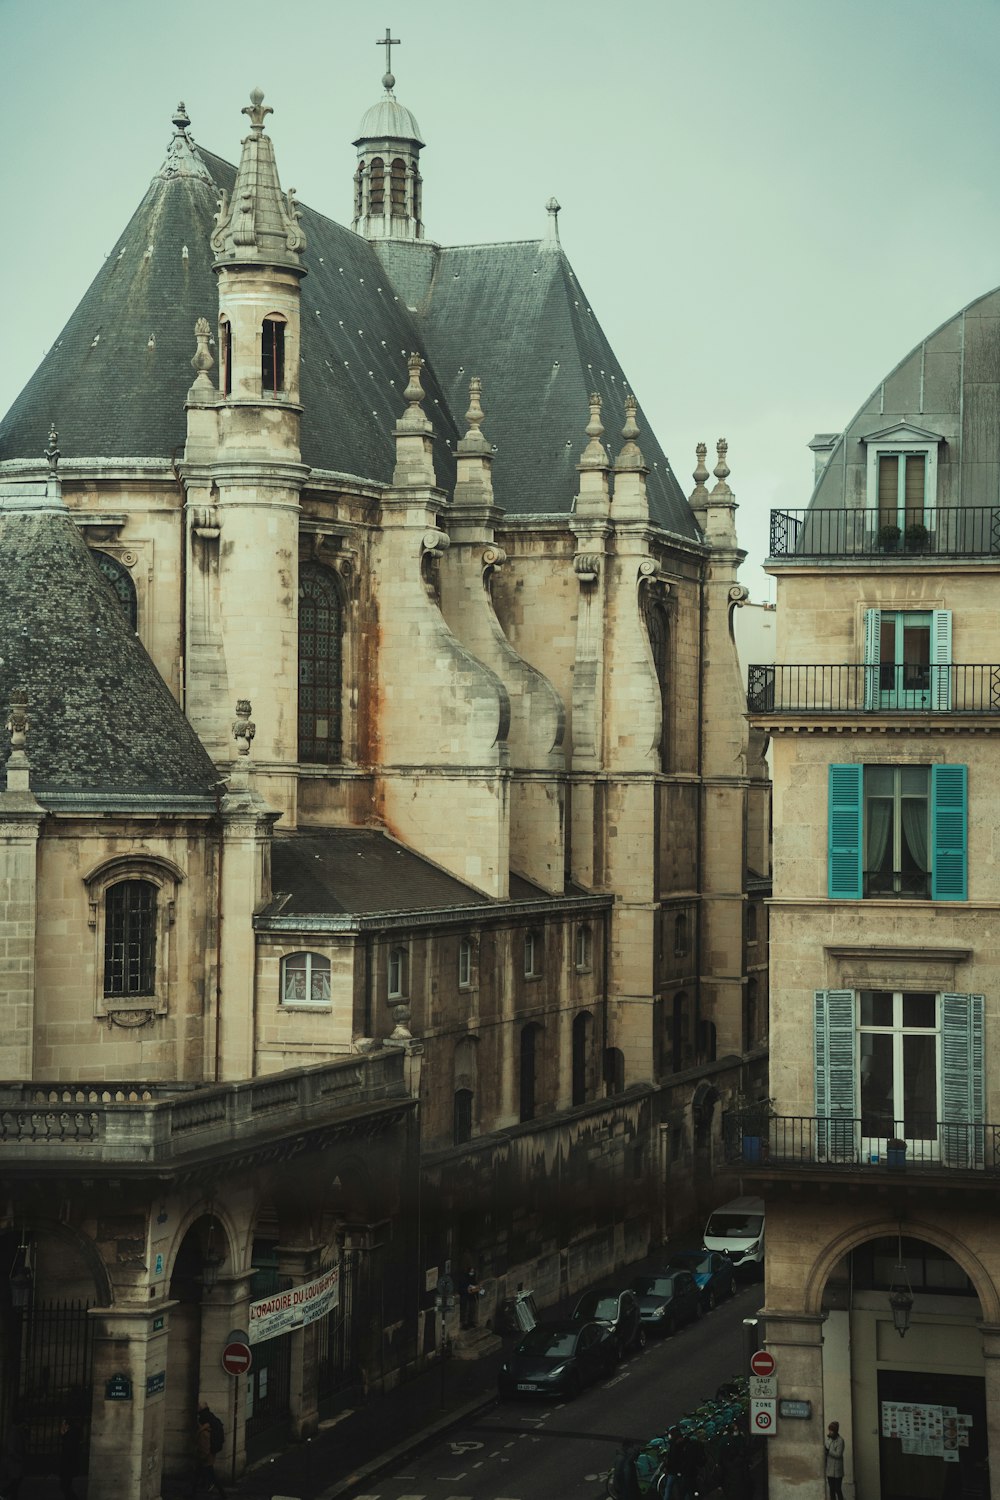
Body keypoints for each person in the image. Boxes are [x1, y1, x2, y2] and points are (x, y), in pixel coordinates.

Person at [192, 1406, 225, 1497]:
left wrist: (202, 1457)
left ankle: (222, 1494)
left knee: (210, 1476)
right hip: (209, 1456)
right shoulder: (212, 1426)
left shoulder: (203, 1433)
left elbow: (204, 1447)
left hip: (205, 1458)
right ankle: (192, 1493)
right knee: (198, 1475)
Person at [0, 1416, 28, 1500]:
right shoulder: (14, 1433)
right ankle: (3, 1494)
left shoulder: (17, 1432)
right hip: (14, 1462)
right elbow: (11, 1450)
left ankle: (12, 1496)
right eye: (23, 1423)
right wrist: (18, 1458)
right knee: (16, 1480)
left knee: (17, 1480)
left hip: (15, 1461)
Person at [57, 1417, 81, 1500]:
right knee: (66, 1486)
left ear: (67, 1426)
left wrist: (64, 1435)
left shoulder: (70, 1436)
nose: (62, 1426)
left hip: (67, 1466)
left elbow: (67, 1452)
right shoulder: (71, 1435)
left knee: (64, 1486)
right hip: (69, 1466)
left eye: (63, 1424)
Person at [825, 1420, 845, 1500]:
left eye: (832, 1430)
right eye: (829, 1430)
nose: (830, 1432)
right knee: (831, 1490)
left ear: (836, 1431)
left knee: (837, 1489)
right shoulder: (828, 1440)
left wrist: (828, 1451)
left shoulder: (840, 1441)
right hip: (830, 1469)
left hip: (837, 1470)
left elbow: (838, 1454)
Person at [456, 1265, 480, 1329]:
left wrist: (476, 1291)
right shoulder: (464, 1279)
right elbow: (462, 1288)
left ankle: (471, 1322)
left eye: (472, 1272)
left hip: (472, 1296)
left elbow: (477, 1287)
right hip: (466, 1296)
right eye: (470, 1272)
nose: (471, 1273)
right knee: (465, 1310)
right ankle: (465, 1324)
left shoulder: (473, 1279)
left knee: (472, 1310)